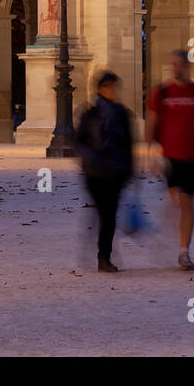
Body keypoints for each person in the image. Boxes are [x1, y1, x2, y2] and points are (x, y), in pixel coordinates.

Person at [146, 49, 194, 271]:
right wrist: (149, 154)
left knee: (186, 203)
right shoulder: (162, 92)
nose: (175, 68)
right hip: (168, 156)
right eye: (172, 64)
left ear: (187, 66)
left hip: (190, 156)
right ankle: (174, 240)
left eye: (178, 64)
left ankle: (183, 252)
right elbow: (151, 123)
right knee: (176, 201)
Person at [75, 71, 135, 272]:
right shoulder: (89, 113)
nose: (112, 90)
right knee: (106, 214)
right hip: (95, 172)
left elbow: (128, 144)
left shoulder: (122, 113)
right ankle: (103, 255)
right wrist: (90, 159)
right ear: (99, 89)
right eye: (107, 86)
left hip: (115, 170)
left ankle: (104, 257)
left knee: (107, 215)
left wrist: (130, 170)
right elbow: (79, 141)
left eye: (114, 86)